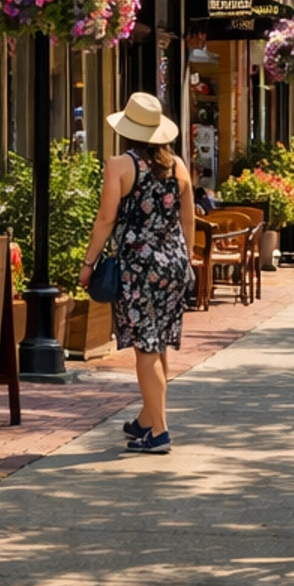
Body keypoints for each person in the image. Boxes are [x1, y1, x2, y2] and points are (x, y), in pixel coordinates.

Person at [78, 92, 195, 456]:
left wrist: (88, 263)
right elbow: (187, 219)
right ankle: (147, 416)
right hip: (174, 264)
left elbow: (106, 219)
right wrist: (185, 260)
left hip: (138, 266)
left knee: (145, 347)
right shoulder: (178, 167)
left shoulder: (120, 165)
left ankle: (159, 432)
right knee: (158, 342)